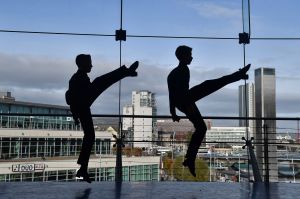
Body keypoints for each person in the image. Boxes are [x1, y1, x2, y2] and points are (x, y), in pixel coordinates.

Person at [167, 45, 250, 177]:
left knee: (201, 125)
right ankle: (190, 159)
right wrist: (178, 110)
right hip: (186, 101)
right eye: (189, 55)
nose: (191, 57)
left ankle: (190, 159)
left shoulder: (174, 73)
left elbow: (171, 95)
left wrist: (173, 112)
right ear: (183, 56)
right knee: (210, 86)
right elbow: (175, 94)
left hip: (184, 101)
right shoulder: (182, 71)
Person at [66, 54, 139, 183]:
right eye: (89, 63)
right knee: (101, 81)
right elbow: (71, 98)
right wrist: (76, 113)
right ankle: (125, 72)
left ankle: (83, 169)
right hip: (83, 106)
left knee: (89, 136)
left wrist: (75, 114)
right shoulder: (78, 78)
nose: (91, 65)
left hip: (82, 107)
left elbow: (70, 98)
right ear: (82, 64)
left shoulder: (78, 77)